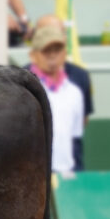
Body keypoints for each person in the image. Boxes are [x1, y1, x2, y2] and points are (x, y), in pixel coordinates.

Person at [28, 26, 86, 173]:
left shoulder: (74, 92)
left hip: (67, 171)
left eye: (57, 50)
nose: (52, 56)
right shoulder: (26, 91)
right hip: (35, 174)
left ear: (65, 53)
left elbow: (75, 137)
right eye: (46, 51)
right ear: (33, 55)